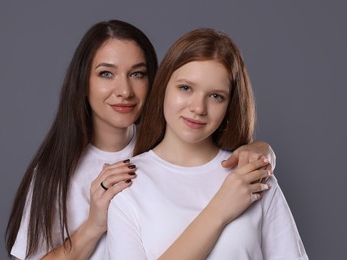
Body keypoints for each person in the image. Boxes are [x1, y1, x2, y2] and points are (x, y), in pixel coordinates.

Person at [5, 20, 276, 260]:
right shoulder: (56, 172)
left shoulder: (168, 146)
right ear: (83, 82)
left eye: (137, 74)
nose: (124, 90)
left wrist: (260, 150)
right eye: (106, 74)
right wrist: (94, 225)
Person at [105, 28, 308, 259]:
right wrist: (220, 209)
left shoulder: (253, 176)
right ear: (163, 88)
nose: (198, 108)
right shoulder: (127, 185)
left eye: (216, 96)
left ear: (229, 105)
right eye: (185, 88)